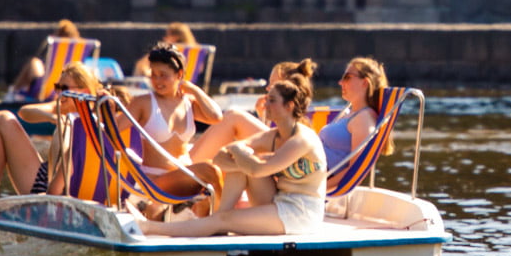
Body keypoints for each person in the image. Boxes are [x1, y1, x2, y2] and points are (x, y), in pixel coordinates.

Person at [138, 58, 394, 238]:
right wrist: (238, 153)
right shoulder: (285, 133)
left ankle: (158, 226)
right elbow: (230, 158)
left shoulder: (347, 124)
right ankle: (212, 218)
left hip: (300, 204)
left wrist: (239, 153)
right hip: (286, 185)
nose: (265, 104)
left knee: (237, 134)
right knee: (237, 165)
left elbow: (260, 168)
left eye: (271, 98)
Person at [0, 60, 101, 216]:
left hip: (70, 188)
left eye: (64, 89)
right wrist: (51, 117)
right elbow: (24, 112)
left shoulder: (101, 119)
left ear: (85, 92)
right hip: (45, 182)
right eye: (57, 87)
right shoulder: (58, 107)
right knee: (1, 119)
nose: (59, 93)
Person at [123, 44, 223, 208]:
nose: (157, 81)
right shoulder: (143, 103)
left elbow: (216, 117)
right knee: (210, 170)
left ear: (179, 74)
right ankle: (222, 217)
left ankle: (203, 216)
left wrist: (194, 90)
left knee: (226, 168)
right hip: (156, 181)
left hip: (185, 177)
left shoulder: (188, 103)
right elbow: (113, 129)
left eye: (163, 75)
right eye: (153, 75)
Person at [187, 58, 318, 164]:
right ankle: (191, 168)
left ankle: (187, 169)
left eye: (273, 85)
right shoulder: (294, 123)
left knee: (233, 117)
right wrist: (263, 117)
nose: (268, 89)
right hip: (278, 159)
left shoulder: (298, 128)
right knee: (231, 149)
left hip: (287, 158)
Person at [6, 19, 79, 100]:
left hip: (45, 91)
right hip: (67, 92)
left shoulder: (58, 50)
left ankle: (12, 92)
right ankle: (14, 92)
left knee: (34, 62)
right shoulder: (79, 54)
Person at [132, 23, 198, 77]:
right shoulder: (196, 52)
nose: (164, 38)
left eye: (167, 35)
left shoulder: (168, 51)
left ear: (175, 37)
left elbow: (142, 66)